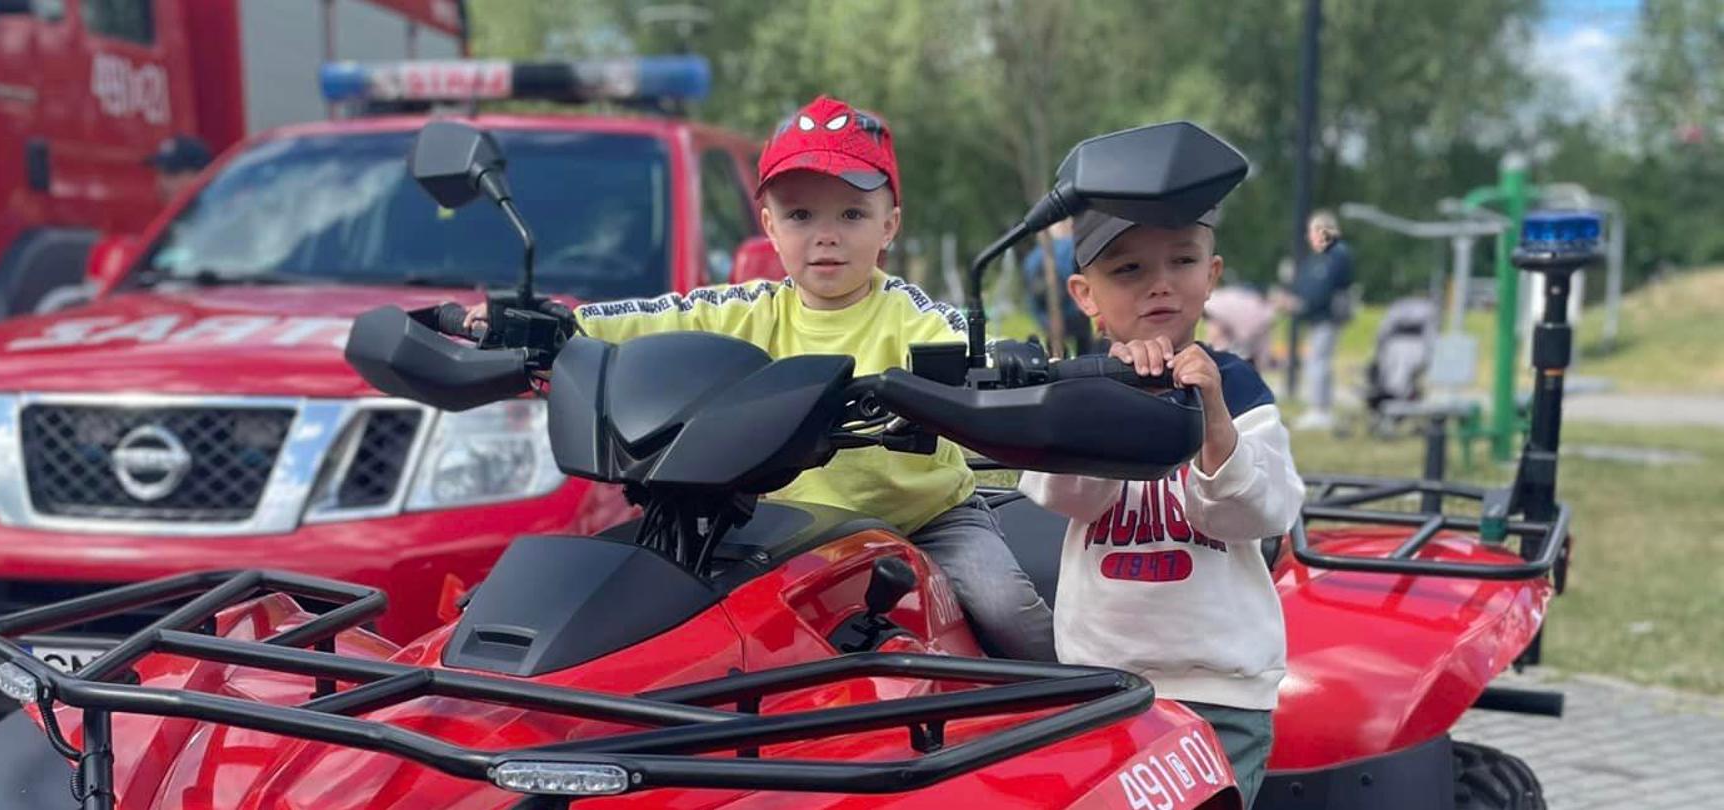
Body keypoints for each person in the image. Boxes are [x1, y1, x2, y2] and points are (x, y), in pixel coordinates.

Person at [462, 96, 1055, 662]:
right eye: (801, 215)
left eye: (852, 214)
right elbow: (659, 316)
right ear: (769, 225)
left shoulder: (910, 314)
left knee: (1001, 602)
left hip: (926, 520)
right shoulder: (752, 309)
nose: (826, 234)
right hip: (785, 530)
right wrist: (552, 326)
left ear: (889, 225)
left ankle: (1081, 702)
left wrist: (1007, 367)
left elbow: (964, 343)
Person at [1018, 205, 1306, 806]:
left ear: (1212, 274)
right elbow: (1063, 495)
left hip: (1220, 691)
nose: (1161, 283)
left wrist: (1214, 419)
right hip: (1099, 684)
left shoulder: (1239, 389)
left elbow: (1259, 513)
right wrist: (1109, 401)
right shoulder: (1075, 388)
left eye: (1182, 260)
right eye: (1129, 269)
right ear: (1085, 295)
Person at [1283, 210, 1355, 430]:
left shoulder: (1336, 256)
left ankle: (1320, 410)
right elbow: (1306, 284)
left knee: (1318, 362)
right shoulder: (1320, 258)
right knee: (1316, 361)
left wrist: (1302, 304)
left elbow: (1322, 288)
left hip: (1327, 317)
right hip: (1317, 318)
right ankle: (1320, 406)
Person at [1020, 219, 1093, 354]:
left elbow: (1030, 295)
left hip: (1048, 318)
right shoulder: (1073, 246)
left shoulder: (1031, 258)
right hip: (1077, 313)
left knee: (1055, 355)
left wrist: (1043, 320)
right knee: (1084, 350)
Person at [149, 134, 215, 203]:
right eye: (158, 173)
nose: (161, 183)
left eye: (172, 173)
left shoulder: (217, 208)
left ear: (200, 175)